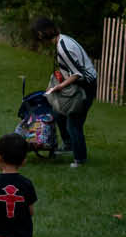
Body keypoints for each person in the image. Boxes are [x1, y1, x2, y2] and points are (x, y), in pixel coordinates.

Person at [31, 16, 98, 167]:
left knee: (74, 123)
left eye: (38, 34)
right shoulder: (63, 40)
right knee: (58, 113)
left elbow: (77, 74)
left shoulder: (63, 47)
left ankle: (79, 159)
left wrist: (59, 87)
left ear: (43, 32)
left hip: (85, 86)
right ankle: (68, 144)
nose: (38, 37)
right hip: (81, 83)